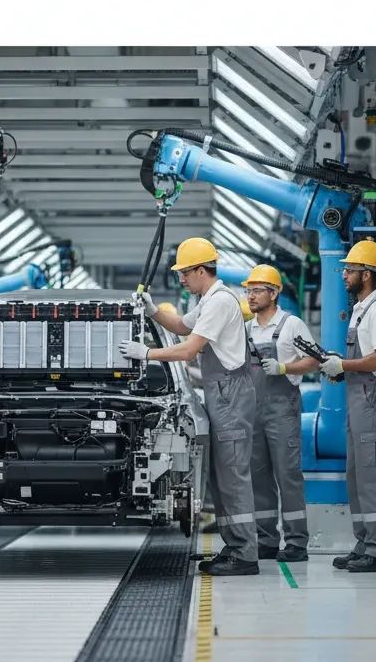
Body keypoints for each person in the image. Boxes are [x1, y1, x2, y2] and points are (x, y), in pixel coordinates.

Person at [120, 237, 259, 576]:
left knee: (233, 477)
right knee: (222, 476)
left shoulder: (221, 301)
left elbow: (188, 349)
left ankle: (246, 554)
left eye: (184, 273)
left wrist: (148, 354)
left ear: (201, 270)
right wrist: (154, 312)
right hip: (222, 394)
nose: (180, 279)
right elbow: (183, 325)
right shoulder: (209, 299)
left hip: (231, 396)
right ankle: (236, 546)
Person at [320, 240, 376, 572]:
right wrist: (342, 368)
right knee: (356, 477)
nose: (344, 276)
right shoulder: (361, 309)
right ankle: (365, 543)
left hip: (373, 400)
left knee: (372, 478)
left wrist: (345, 367)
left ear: (366, 274)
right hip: (358, 401)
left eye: (349, 270)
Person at [243, 264, 319, 563]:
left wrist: (285, 367)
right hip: (254, 413)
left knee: (288, 476)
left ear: (274, 293)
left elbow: (314, 359)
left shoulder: (292, 325)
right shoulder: (247, 329)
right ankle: (267, 540)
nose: (251, 296)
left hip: (282, 411)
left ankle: (297, 542)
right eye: (248, 290)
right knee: (258, 478)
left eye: (257, 290)